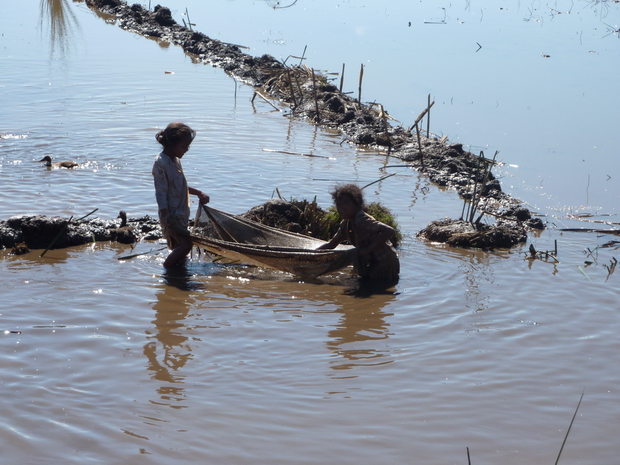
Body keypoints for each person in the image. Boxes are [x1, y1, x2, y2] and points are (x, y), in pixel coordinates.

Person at [152, 122, 210, 269]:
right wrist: (165, 214)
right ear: (172, 144)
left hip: (182, 212)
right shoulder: (161, 163)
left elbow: (180, 185)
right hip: (171, 214)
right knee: (186, 245)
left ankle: (177, 272)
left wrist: (199, 193)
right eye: (184, 147)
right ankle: (167, 272)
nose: (186, 150)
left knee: (179, 246)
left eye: (188, 147)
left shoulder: (175, 161)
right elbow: (161, 191)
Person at [317, 184, 399, 283]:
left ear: (356, 204)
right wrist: (312, 253)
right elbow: (331, 244)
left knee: (364, 287)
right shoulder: (346, 224)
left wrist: (367, 250)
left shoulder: (362, 220)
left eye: (346, 204)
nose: (342, 209)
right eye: (339, 204)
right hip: (373, 262)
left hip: (385, 263)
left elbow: (389, 231)